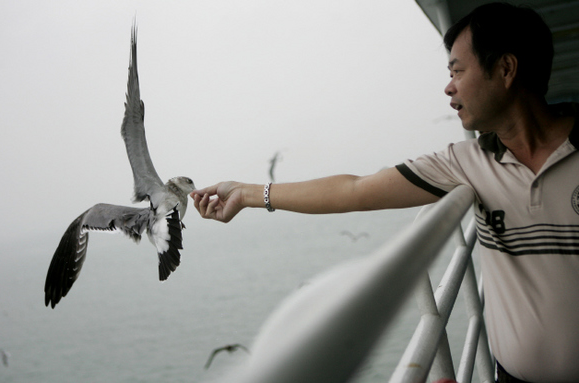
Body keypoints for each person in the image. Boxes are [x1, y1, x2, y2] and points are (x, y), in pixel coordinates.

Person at [191, 3, 579, 382]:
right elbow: (355, 190)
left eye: (457, 71)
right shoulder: (467, 163)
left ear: (506, 69)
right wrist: (245, 193)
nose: (448, 87)